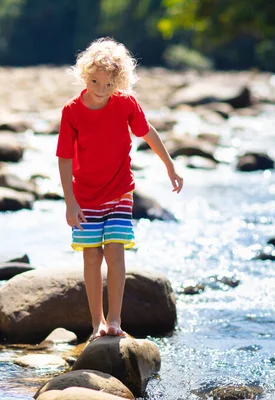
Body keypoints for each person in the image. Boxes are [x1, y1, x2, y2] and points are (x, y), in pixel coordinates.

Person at [56, 38, 183, 341]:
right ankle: (95, 322)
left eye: (110, 83)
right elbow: (64, 158)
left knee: (115, 253)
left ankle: (115, 320)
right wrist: (69, 202)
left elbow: (147, 132)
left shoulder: (125, 103)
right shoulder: (72, 111)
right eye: (96, 81)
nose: (102, 88)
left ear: (120, 82)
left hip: (118, 192)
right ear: (84, 75)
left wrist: (170, 166)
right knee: (91, 258)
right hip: (85, 196)